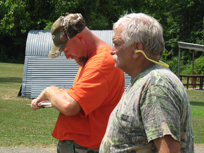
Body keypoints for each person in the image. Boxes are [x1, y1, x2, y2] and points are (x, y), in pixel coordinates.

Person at [99, 13, 194, 153]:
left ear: (137, 49)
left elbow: (168, 150)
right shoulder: (145, 80)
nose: (111, 51)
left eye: (116, 44)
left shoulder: (156, 84)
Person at [31, 13, 124, 153]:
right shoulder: (91, 61)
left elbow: (69, 106)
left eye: (67, 49)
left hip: (85, 146)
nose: (67, 56)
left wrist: (50, 91)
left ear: (80, 38)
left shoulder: (101, 62)